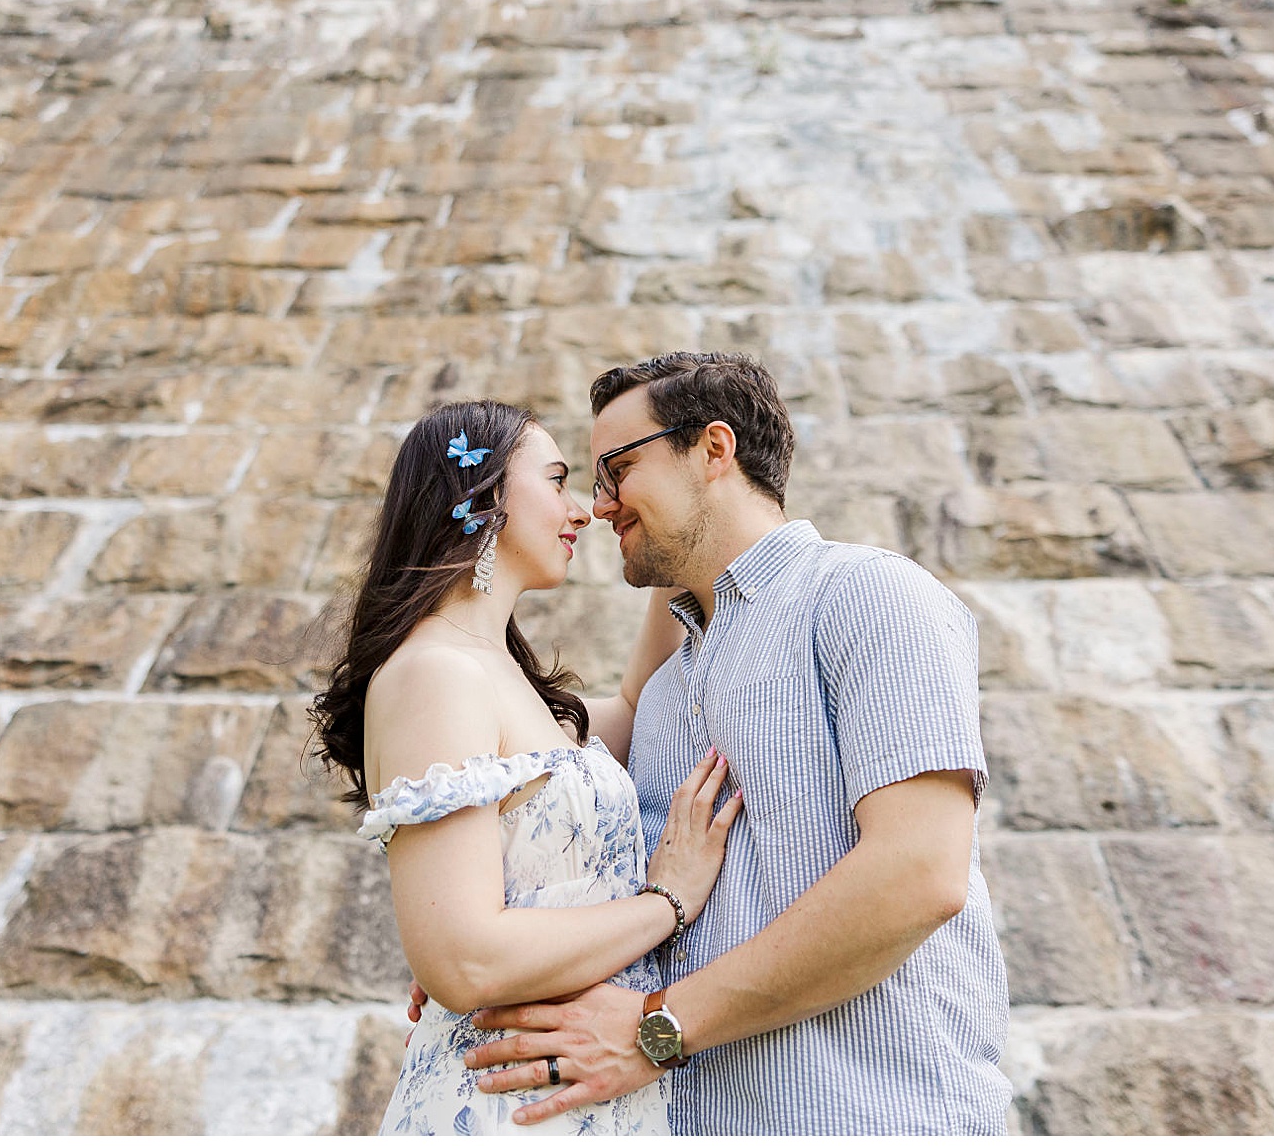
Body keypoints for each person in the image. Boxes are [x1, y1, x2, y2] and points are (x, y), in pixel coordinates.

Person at [453, 352, 1013, 1134]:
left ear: (714, 450)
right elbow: (565, 835)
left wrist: (659, 1028)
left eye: (617, 469)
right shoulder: (666, 690)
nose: (602, 505)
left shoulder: (869, 596)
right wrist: (479, 923)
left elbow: (918, 875)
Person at [307, 398, 745, 1135]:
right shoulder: (435, 675)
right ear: (481, 502)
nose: (582, 511)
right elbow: (464, 962)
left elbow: (638, 708)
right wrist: (666, 903)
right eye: (558, 481)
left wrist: (680, 521)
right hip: (507, 1103)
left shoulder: (499, 673)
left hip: (578, 1087)